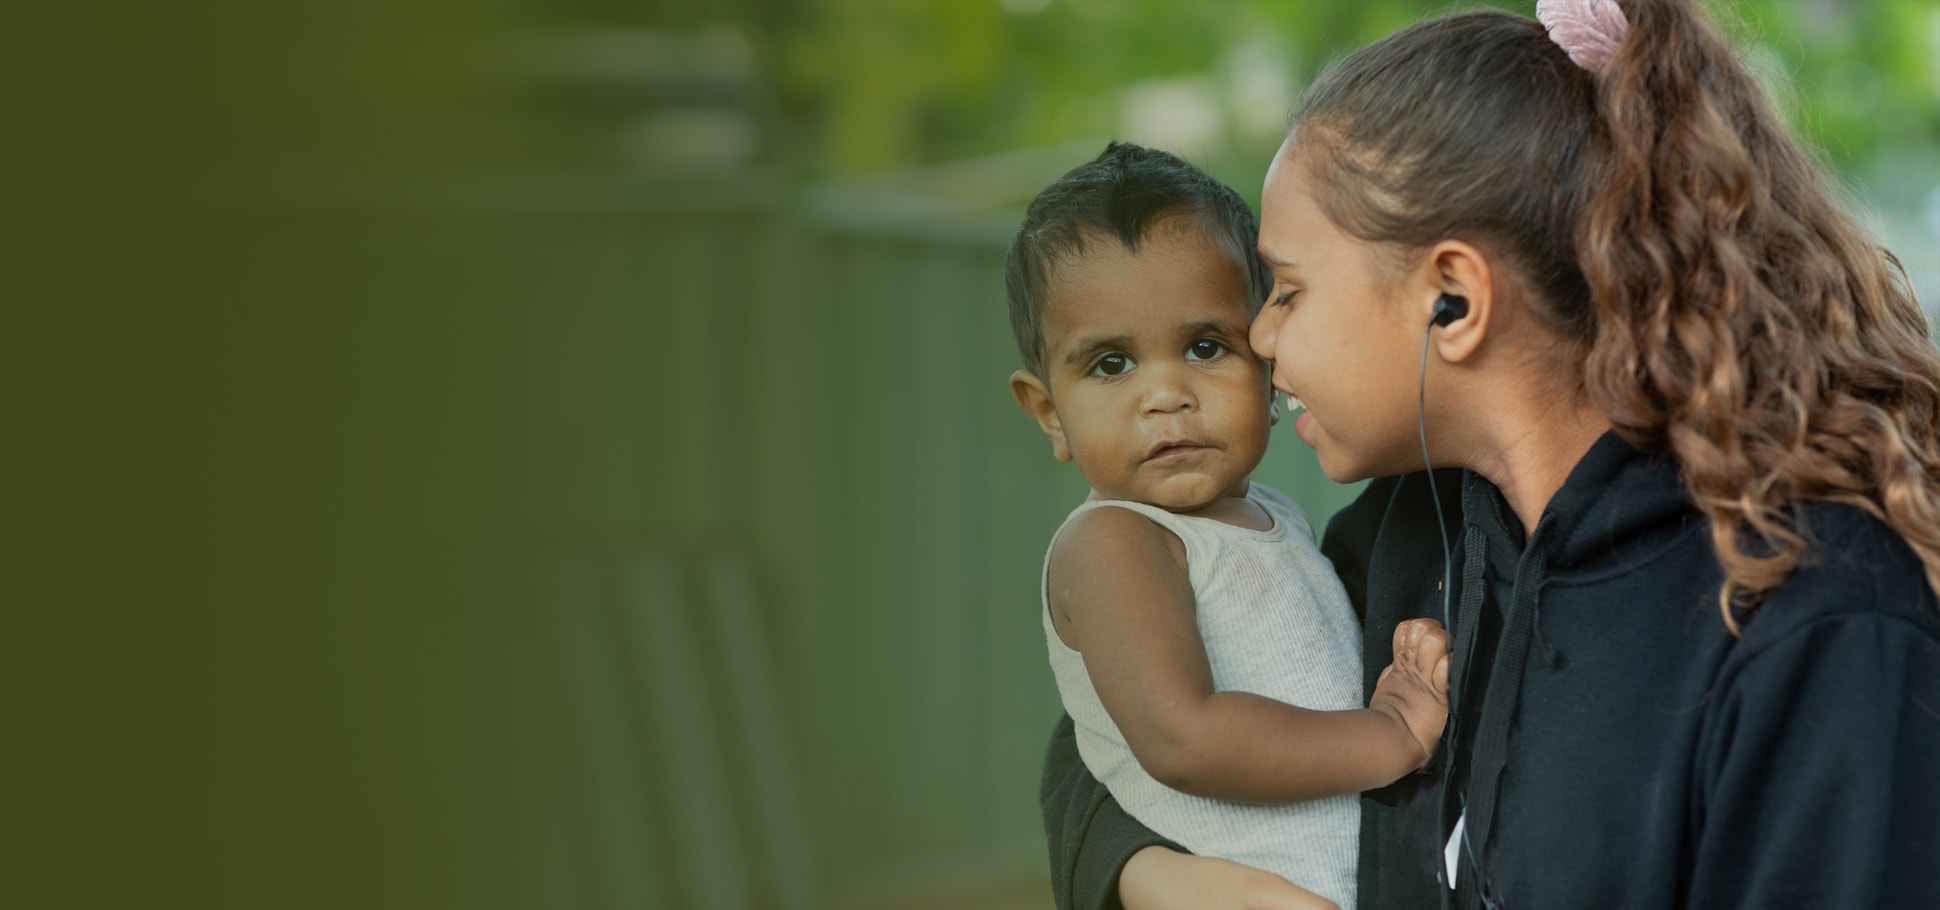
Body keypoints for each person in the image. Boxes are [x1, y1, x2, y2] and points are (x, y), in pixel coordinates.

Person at [1040, 1, 1940, 908]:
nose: (1261, 337)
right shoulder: (1406, 538)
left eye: (1290, 289)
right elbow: (1128, 730)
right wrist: (1158, 878)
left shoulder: (1818, 623)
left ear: (1454, 303)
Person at [1006, 141, 1451, 909]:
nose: (1165, 395)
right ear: (1050, 413)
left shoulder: (1272, 516)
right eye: (1111, 364)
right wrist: (1391, 736)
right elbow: (1184, 736)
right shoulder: (1113, 542)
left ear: (1269, 370)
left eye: (1206, 347)